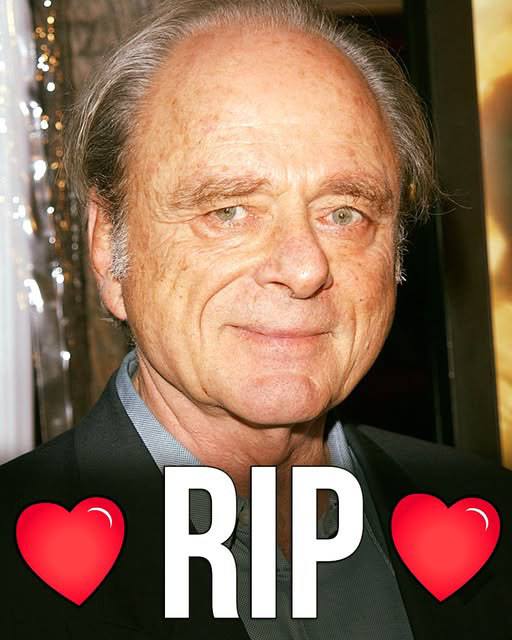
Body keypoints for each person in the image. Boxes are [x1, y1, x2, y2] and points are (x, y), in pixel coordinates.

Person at [1, 1, 511, 638]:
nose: (304, 268)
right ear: (110, 250)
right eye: (229, 211)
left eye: (344, 213)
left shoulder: (490, 526)